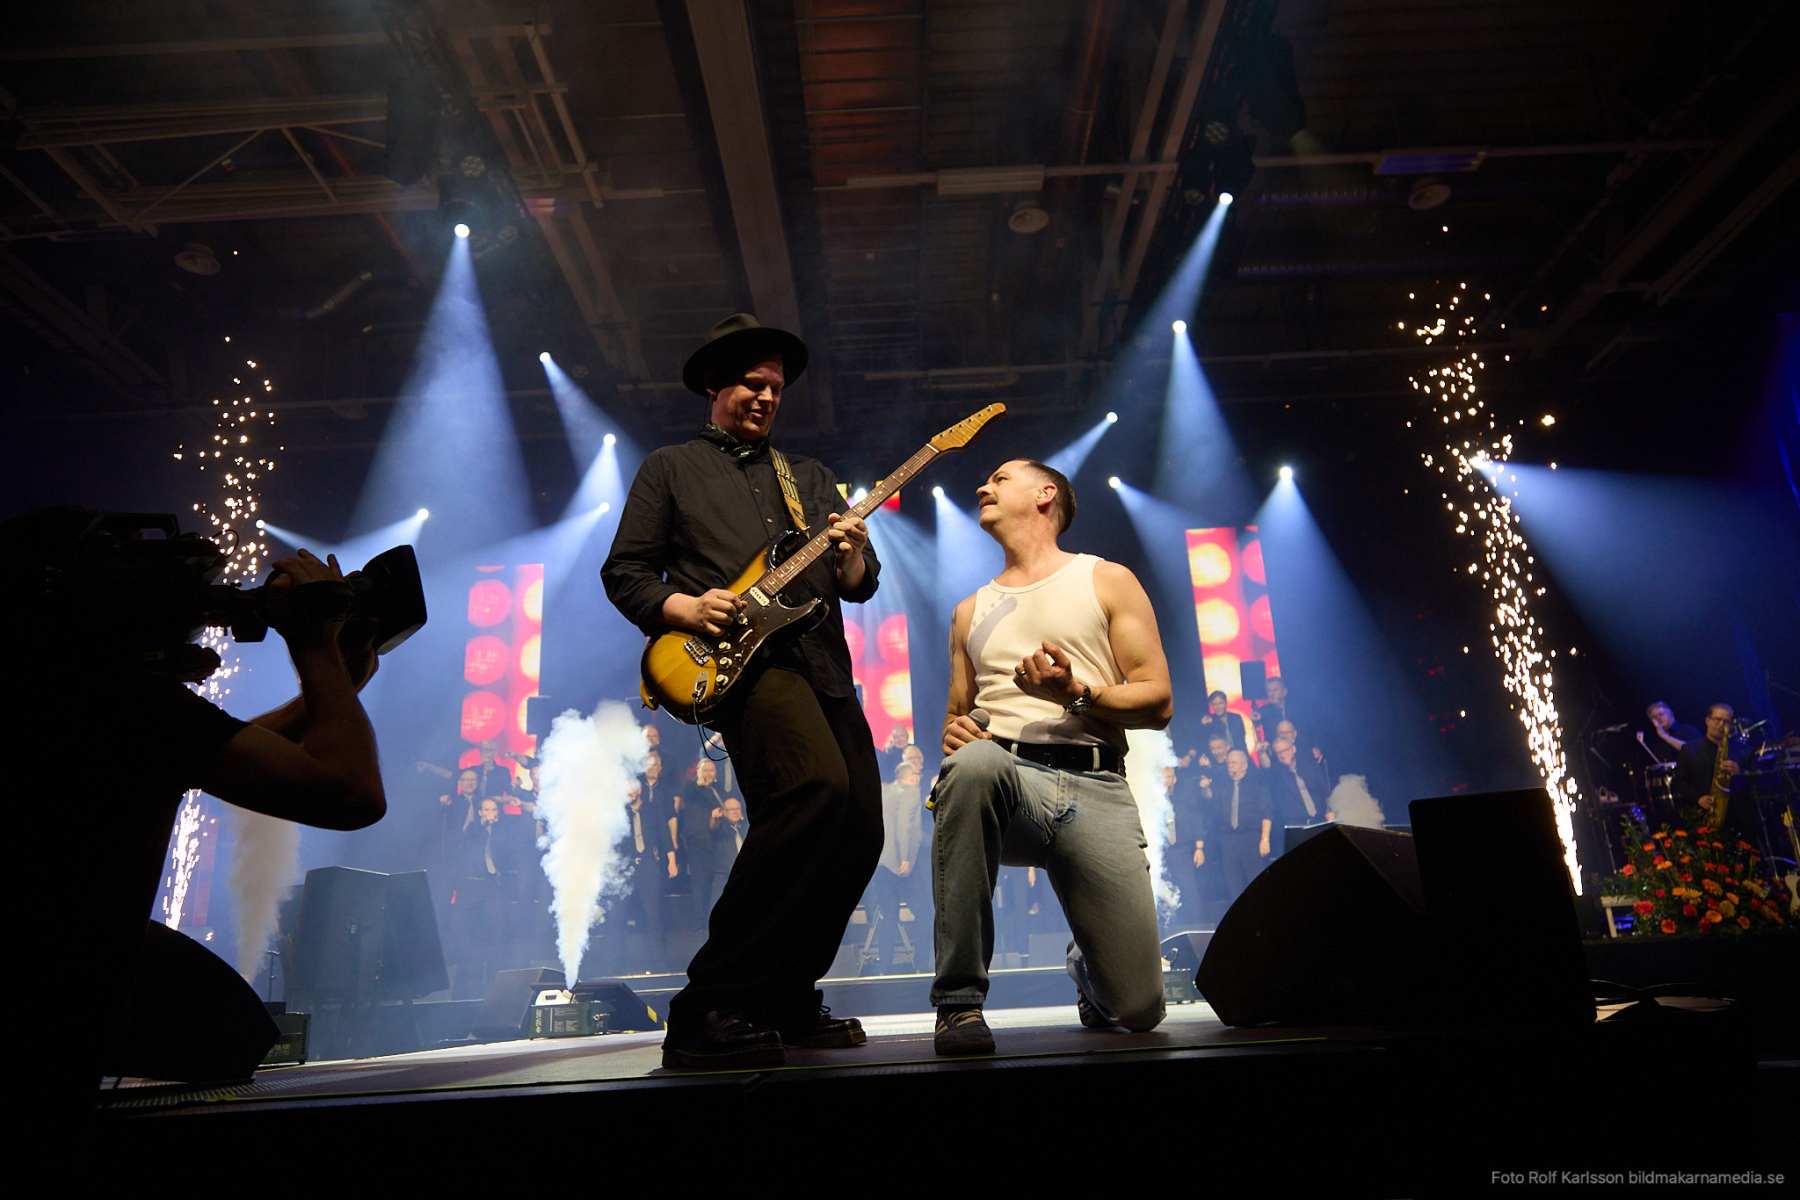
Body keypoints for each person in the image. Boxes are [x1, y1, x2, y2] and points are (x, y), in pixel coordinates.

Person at [14, 524, 386, 1164]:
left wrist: (328, 694)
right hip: (71, 969)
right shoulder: (130, 700)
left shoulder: (66, 686)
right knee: (230, 1031)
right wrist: (317, 650)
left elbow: (208, 750)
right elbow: (351, 795)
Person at [601, 312, 882, 1068]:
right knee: (814, 789)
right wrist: (684, 607)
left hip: (824, 666)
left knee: (861, 828)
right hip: (746, 669)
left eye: (777, 389)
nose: (766, 398)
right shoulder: (670, 469)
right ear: (716, 387)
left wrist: (853, 557)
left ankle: (786, 995)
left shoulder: (810, 476)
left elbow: (859, 583)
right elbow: (624, 572)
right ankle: (709, 1003)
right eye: (754, 385)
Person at [930, 458, 1173, 1056]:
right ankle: (959, 1003)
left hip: (1095, 785)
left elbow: (1158, 701)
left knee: (1140, 1011)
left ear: (1046, 494)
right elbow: (956, 719)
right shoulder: (969, 610)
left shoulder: (1105, 579)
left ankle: (1088, 964)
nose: (983, 486)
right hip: (1008, 778)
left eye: (999, 478)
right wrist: (956, 736)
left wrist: (1076, 693)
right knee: (973, 765)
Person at [1196, 750, 1273, 910]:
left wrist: (1265, 839)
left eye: (1234, 763)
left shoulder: (1256, 784)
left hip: (1251, 837)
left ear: (1244, 765)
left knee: (1255, 880)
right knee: (1233, 883)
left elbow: (1267, 812)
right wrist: (1206, 788)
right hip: (1228, 839)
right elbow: (1210, 801)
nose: (1230, 766)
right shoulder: (1222, 784)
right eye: (1228, 763)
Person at [868, 756, 924, 973]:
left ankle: (885, 967)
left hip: (882, 864)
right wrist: (905, 858)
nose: (919, 778)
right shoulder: (911, 792)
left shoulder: (885, 792)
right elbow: (903, 826)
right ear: (909, 777)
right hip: (901, 866)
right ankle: (923, 964)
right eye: (916, 775)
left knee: (888, 916)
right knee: (925, 912)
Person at [1673, 703, 1749, 833]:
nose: (1721, 725)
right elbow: (1679, 783)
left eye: (1726, 721)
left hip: (1737, 818)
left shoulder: (1741, 750)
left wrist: (1740, 772)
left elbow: (1752, 784)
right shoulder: (1689, 750)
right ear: (1707, 720)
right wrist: (1698, 798)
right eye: (1717, 719)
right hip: (1704, 819)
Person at [1269, 737, 1333, 841]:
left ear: (1293, 749)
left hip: (1320, 819)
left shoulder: (1309, 765)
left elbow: (1324, 790)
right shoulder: (1276, 775)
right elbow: (1266, 768)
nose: (1282, 755)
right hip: (1297, 826)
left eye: (1285, 750)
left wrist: (1330, 810)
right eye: (1278, 752)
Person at [709, 795, 749, 908]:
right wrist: (714, 818)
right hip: (724, 876)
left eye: (737, 809)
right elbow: (713, 828)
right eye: (731, 809)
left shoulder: (745, 828)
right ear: (724, 812)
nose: (735, 812)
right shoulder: (721, 828)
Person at [1198, 691, 1252, 756]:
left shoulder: (1236, 717)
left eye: (1220, 703)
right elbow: (1207, 743)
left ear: (1226, 703)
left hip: (1239, 753)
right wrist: (1205, 725)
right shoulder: (1209, 721)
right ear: (1211, 705)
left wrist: (1245, 755)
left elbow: (1241, 740)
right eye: (1214, 704)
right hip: (1220, 757)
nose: (1218, 707)